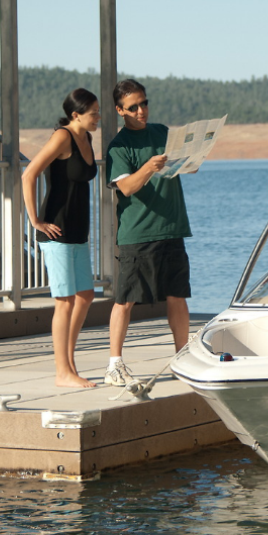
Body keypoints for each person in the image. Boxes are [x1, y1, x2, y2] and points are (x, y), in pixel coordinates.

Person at [104, 79, 191, 387]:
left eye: (144, 103)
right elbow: (126, 186)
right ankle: (115, 364)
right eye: (133, 107)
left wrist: (192, 160)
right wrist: (150, 168)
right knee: (125, 299)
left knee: (177, 295)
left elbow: (187, 165)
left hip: (172, 227)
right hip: (138, 233)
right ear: (119, 111)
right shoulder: (119, 146)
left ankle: (182, 357)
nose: (141, 110)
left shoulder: (163, 133)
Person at [21, 88, 100, 388]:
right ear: (76, 114)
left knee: (85, 296)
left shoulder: (87, 138)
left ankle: (69, 363)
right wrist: (35, 220)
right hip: (57, 232)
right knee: (64, 301)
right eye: (93, 113)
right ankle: (61, 372)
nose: (98, 118)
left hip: (78, 231)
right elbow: (29, 175)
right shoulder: (62, 137)